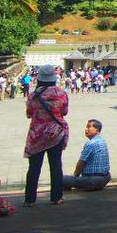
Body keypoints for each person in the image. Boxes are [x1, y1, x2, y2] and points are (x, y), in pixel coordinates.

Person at [24, 64, 69, 206]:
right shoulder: (61, 93)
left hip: (37, 135)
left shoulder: (33, 95)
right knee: (56, 165)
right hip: (56, 133)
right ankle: (56, 197)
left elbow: (29, 113)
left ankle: (29, 199)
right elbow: (64, 112)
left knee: (34, 167)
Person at [63, 119, 110, 191]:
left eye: (89, 127)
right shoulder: (103, 141)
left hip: (92, 180)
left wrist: (75, 177)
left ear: (97, 130)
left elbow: (81, 163)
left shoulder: (90, 143)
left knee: (62, 179)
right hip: (106, 177)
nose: (86, 129)